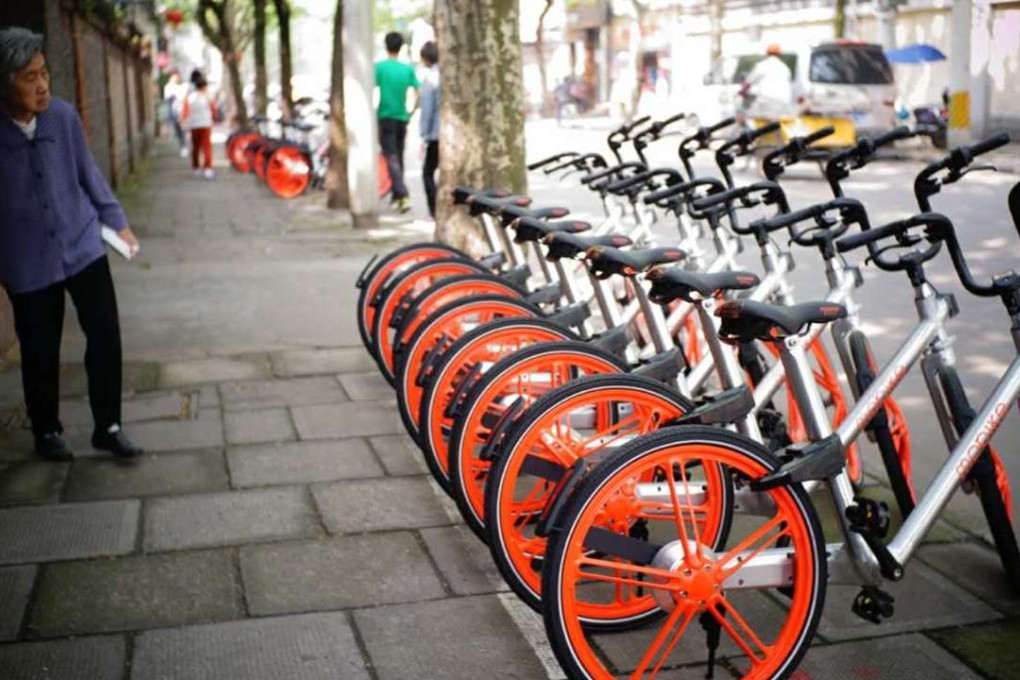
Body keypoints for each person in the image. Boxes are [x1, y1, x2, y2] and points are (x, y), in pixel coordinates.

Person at [0, 27, 143, 461]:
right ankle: (46, 431)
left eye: (44, 73)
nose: (42, 85)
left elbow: (89, 175)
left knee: (105, 334)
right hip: (27, 261)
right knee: (39, 348)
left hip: (83, 245)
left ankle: (109, 426)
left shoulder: (62, 118)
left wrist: (117, 222)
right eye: (29, 77)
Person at [375, 31, 419, 214]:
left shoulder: (379, 68)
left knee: (390, 157)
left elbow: (371, 89)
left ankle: (403, 193)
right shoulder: (407, 70)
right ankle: (397, 197)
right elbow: (417, 92)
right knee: (398, 156)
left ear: (386, 46)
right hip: (402, 118)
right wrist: (411, 111)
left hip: (385, 117)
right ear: (401, 47)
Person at [742, 44, 794, 120]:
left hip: (766, 100)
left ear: (767, 54)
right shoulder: (785, 68)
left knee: (749, 118)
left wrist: (742, 92)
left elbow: (748, 83)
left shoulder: (761, 65)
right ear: (779, 55)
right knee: (778, 122)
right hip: (784, 102)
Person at [418, 41, 440, 220]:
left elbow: (427, 110)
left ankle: (434, 210)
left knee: (427, 173)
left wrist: (424, 135)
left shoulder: (431, 78)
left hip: (436, 134)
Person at [181, 75, 216, 179]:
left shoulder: (190, 98)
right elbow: (213, 111)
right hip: (205, 124)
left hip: (194, 125)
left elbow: (185, 112)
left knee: (196, 147)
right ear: (204, 86)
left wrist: (184, 122)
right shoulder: (208, 97)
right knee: (207, 147)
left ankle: (196, 168)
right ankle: (208, 168)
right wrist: (214, 119)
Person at [164, 69, 188, 157]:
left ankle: (184, 146)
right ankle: (182, 145)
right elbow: (167, 99)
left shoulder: (181, 86)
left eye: (176, 76)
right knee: (177, 130)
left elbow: (183, 98)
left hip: (181, 111)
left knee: (182, 129)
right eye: (173, 76)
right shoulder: (168, 87)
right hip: (173, 112)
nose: (175, 78)